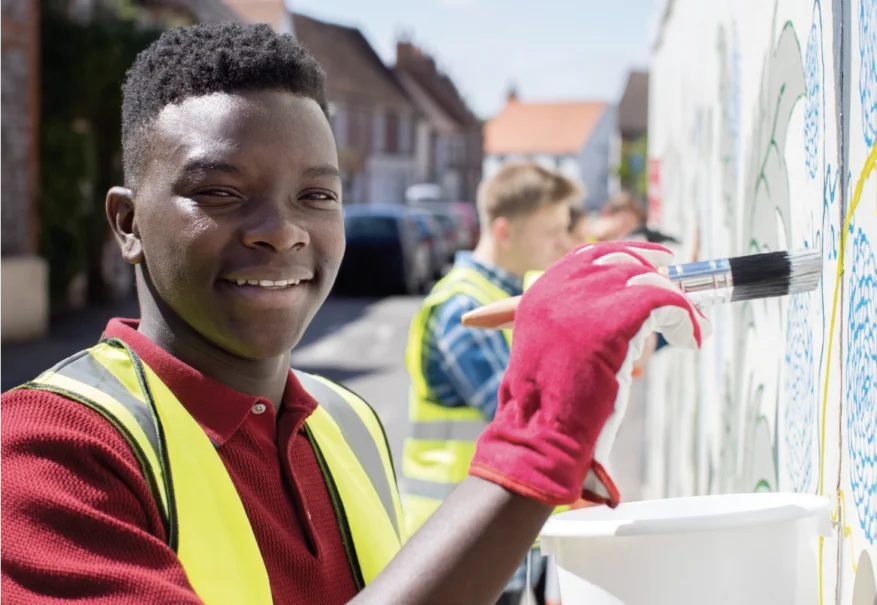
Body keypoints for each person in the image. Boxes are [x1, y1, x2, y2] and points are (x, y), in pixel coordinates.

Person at [0, 22, 710, 605]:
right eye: (219, 190)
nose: (281, 230)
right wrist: (536, 442)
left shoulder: (345, 421)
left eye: (317, 195)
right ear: (126, 223)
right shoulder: (44, 451)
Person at [402, 162, 581, 605]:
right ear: (505, 231)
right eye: (552, 231)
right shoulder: (464, 310)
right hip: (461, 543)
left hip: (498, 534)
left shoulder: (513, 298)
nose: (565, 242)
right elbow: (530, 421)